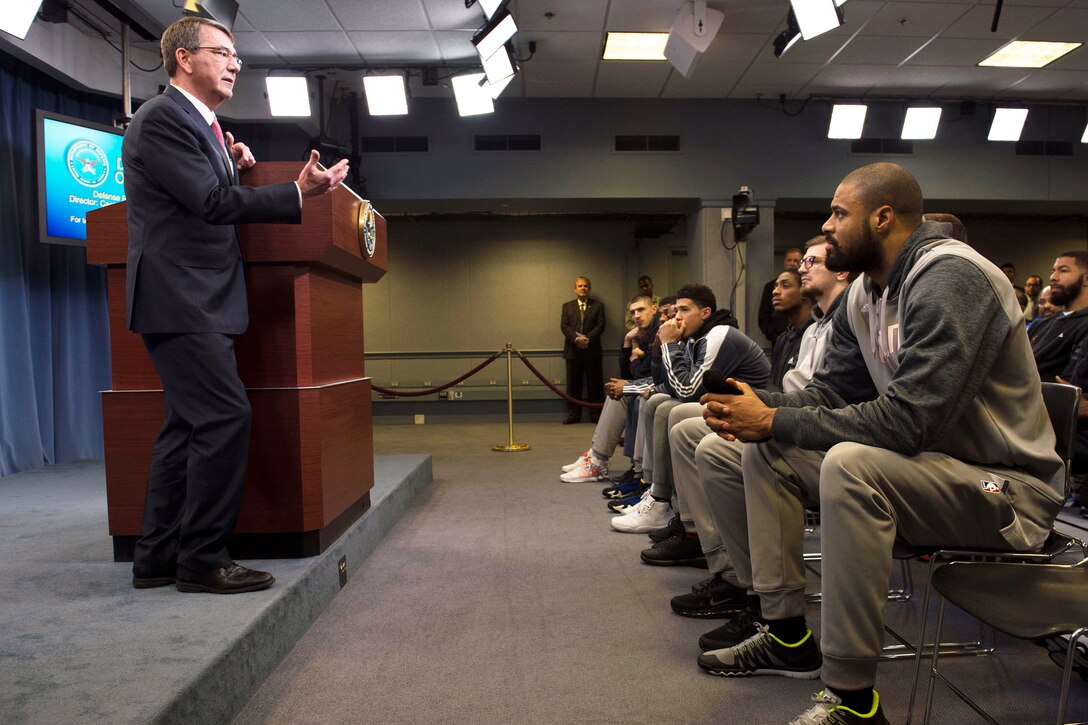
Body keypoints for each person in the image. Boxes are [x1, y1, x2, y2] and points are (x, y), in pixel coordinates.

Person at [699, 162, 1063, 724]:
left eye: (839, 214)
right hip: (930, 470)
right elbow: (830, 392)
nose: (827, 226)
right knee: (744, 448)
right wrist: (759, 409)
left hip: (1008, 492)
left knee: (846, 463)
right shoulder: (867, 293)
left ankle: (852, 700)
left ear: (883, 217)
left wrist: (773, 420)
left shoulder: (950, 277)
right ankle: (786, 634)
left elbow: (910, 422)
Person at [124, 17, 349, 594]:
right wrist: (298, 192)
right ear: (181, 58)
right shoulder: (163, 118)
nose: (234, 63)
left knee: (186, 426)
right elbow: (208, 202)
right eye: (221, 52)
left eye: (236, 55)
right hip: (182, 300)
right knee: (225, 417)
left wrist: (232, 160)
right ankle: (201, 560)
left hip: (194, 299)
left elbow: (206, 188)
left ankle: (157, 554)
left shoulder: (200, 125)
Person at [609, 284, 769, 534]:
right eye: (676, 311)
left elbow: (686, 391)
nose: (677, 317)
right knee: (656, 402)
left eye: (684, 310)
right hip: (720, 404)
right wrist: (658, 349)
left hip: (752, 410)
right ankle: (657, 494)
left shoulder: (719, 335)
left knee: (667, 409)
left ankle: (665, 504)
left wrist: (668, 344)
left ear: (705, 312)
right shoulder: (695, 338)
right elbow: (669, 382)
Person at [560, 294, 658, 484]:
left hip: (658, 388)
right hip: (652, 383)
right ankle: (595, 456)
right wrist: (627, 343)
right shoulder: (644, 334)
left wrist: (635, 361)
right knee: (618, 389)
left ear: (654, 309)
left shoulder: (658, 333)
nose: (636, 315)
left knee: (621, 392)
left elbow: (642, 373)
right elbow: (628, 371)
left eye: (641, 310)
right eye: (633, 312)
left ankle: (598, 461)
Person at [1030, 252, 1088, 382]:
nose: (1053, 277)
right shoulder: (1039, 324)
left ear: (1086, 279)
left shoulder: (1084, 325)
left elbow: (1069, 385)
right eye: (1053, 271)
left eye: (1063, 271)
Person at [560, 277, 606, 424]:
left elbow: (601, 325)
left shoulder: (598, 306)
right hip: (573, 351)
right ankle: (574, 415)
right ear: (575, 289)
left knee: (595, 384)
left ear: (589, 289)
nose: (583, 288)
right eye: (580, 286)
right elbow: (564, 326)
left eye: (585, 286)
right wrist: (576, 339)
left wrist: (587, 339)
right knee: (574, 385)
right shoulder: (567, 306)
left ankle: (596, 415)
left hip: (592, 351)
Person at [757, 247, 802, 345]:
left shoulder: (806, 285)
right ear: (784, 262)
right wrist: (775, 337)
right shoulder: (770, 287)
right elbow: (763, 317)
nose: (792, 263)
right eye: (789, 260)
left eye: (795, 260)